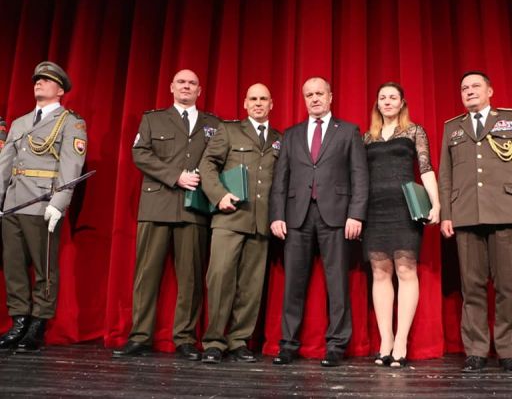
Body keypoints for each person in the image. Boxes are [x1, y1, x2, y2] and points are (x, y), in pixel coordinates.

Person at [439, 71, 512, 374]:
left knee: (507, 286)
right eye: (464, 88)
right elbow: (446, 175)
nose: (469, 91)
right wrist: (447, 214)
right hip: (466, 214)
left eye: (476, 86)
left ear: (490, 91)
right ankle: (476, 351)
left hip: (504, 210)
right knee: (471, 287)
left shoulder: (511, 120)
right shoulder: (452, 127)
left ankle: (508, 351)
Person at [112, 69, 220, 361]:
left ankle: (185, 338)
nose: (186, 86)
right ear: (172, 87)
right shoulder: (153, 119)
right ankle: (140, 336)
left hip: (194, 208)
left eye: (192, 83)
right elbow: (140, 153)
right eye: (181, 82)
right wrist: (176, 176)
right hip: (156, 205)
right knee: (146, 275)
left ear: (199, 90)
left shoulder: (213, 124)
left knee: (191, 278)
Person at [269, 77, 368, 367]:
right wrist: (277, 215)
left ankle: (336, 345)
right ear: (304, 99)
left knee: (337, 283)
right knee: (293, 284)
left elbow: (359, 175)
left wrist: (356, 213)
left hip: (336, 215)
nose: (314, 98)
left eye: (319, 93)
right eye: (309, 95)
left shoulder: (348, 131)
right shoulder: (291, 135)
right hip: (296, 216)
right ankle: (288, 344)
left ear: (330, 96)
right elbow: (280, 179)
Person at [0, 61, 87, 353]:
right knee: (13, 266)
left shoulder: (71, 122)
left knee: (44, 267)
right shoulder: (20, 123)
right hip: (13, 204)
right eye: (37, 79)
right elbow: (5, 166)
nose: (39, 82)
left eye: (46, 80)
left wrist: (59, 203)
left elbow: (71, 166)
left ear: (60, 90)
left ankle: (38, 324)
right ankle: (19, 320)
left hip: (42, 202)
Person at [198, 83, 282, 364]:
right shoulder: (228, 130)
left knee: (251, 285)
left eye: (263, 99)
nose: (258, 103)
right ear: (245, 103)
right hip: (229, 217)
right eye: (253, 99)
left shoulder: (279, 139)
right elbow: (207, 164)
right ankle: (214, 341)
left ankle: (239, 341)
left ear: (271, 104)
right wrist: (219, 195)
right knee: (220, 279)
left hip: (260, 222)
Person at [362, 82, 440, 368]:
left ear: (402, 102)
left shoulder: (414, 131)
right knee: (380, 272)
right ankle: (386, 340)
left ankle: (401, 341)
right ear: (377, 103)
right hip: (374, 210)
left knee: (406, 270)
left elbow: (426, 168)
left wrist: (436, 204)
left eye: (393, 97)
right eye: (382, 97)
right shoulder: (366, 137)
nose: (387, 101)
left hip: (405, 209)